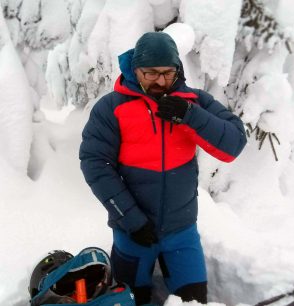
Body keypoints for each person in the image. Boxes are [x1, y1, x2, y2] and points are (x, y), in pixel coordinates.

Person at [79, 32, 247, 305]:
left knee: (195, 300)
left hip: (182, 232)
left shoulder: (194, 101)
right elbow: (95, 164)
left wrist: (190, 115)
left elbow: (234, 143)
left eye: (168, 73)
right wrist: (130, 219)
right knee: (132, 300)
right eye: (151, 73)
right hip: (132, 234)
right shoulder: (111, 108)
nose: (160, 81)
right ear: (136, 70)